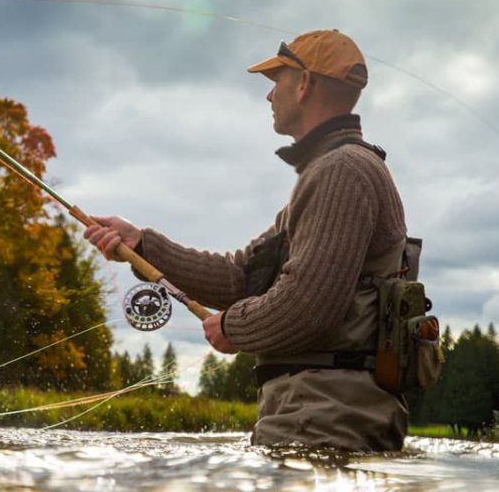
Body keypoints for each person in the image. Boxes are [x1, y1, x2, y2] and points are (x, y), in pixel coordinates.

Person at [84, 29, 409, 452]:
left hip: (325, 423)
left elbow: (309, 306)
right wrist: (143, 244)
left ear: (305, 84)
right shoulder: (331, 171)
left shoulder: (342, 172)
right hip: (315, 417)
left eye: (277, 81)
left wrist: (233, 327)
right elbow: (243, 276)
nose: (270, 97)